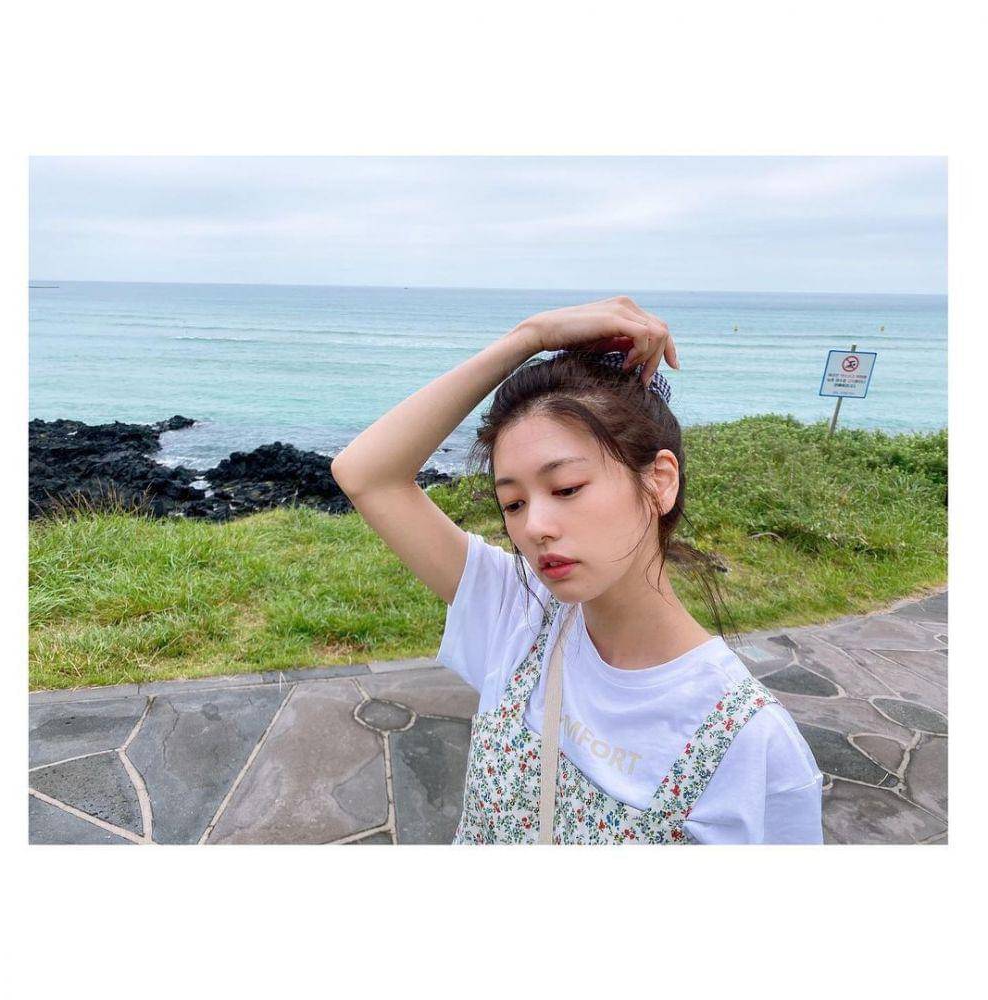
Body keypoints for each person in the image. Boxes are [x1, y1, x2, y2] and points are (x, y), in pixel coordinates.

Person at [331, 296, 823, 844]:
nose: (535, 526)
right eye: (513, 503)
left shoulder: (753, 746)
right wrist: (529, 336)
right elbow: (365, 473)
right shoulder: (519, 616)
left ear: (659, 481)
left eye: (566, 489)